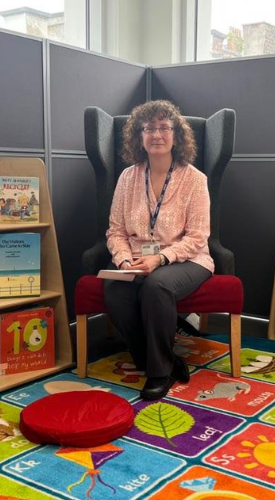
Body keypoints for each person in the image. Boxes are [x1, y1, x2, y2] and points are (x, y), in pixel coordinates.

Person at [104, 100, 214, 400]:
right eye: (149, 128)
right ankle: (164, 359)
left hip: (187, 259)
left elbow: (198, 236)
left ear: (176, 135)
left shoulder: (195, 179)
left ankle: (159, 373)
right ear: (139, 137)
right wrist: (124, 261)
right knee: (114, 290)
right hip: (139, 259)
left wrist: (161, 257)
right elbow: (116, 231)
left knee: (157, 285)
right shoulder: (127, 178)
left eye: (164, 127)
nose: (156, 134)